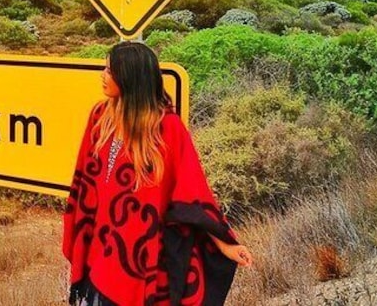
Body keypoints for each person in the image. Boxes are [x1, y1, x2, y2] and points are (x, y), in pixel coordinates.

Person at [63, 42, 253, 305]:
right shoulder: (100, 117)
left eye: (109, 70)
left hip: (142, 259)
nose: (102, 75)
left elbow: (193, 191)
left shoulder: (168, 129)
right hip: (100, 249)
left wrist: (224, 243)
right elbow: (85, 183)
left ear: (129, 78)